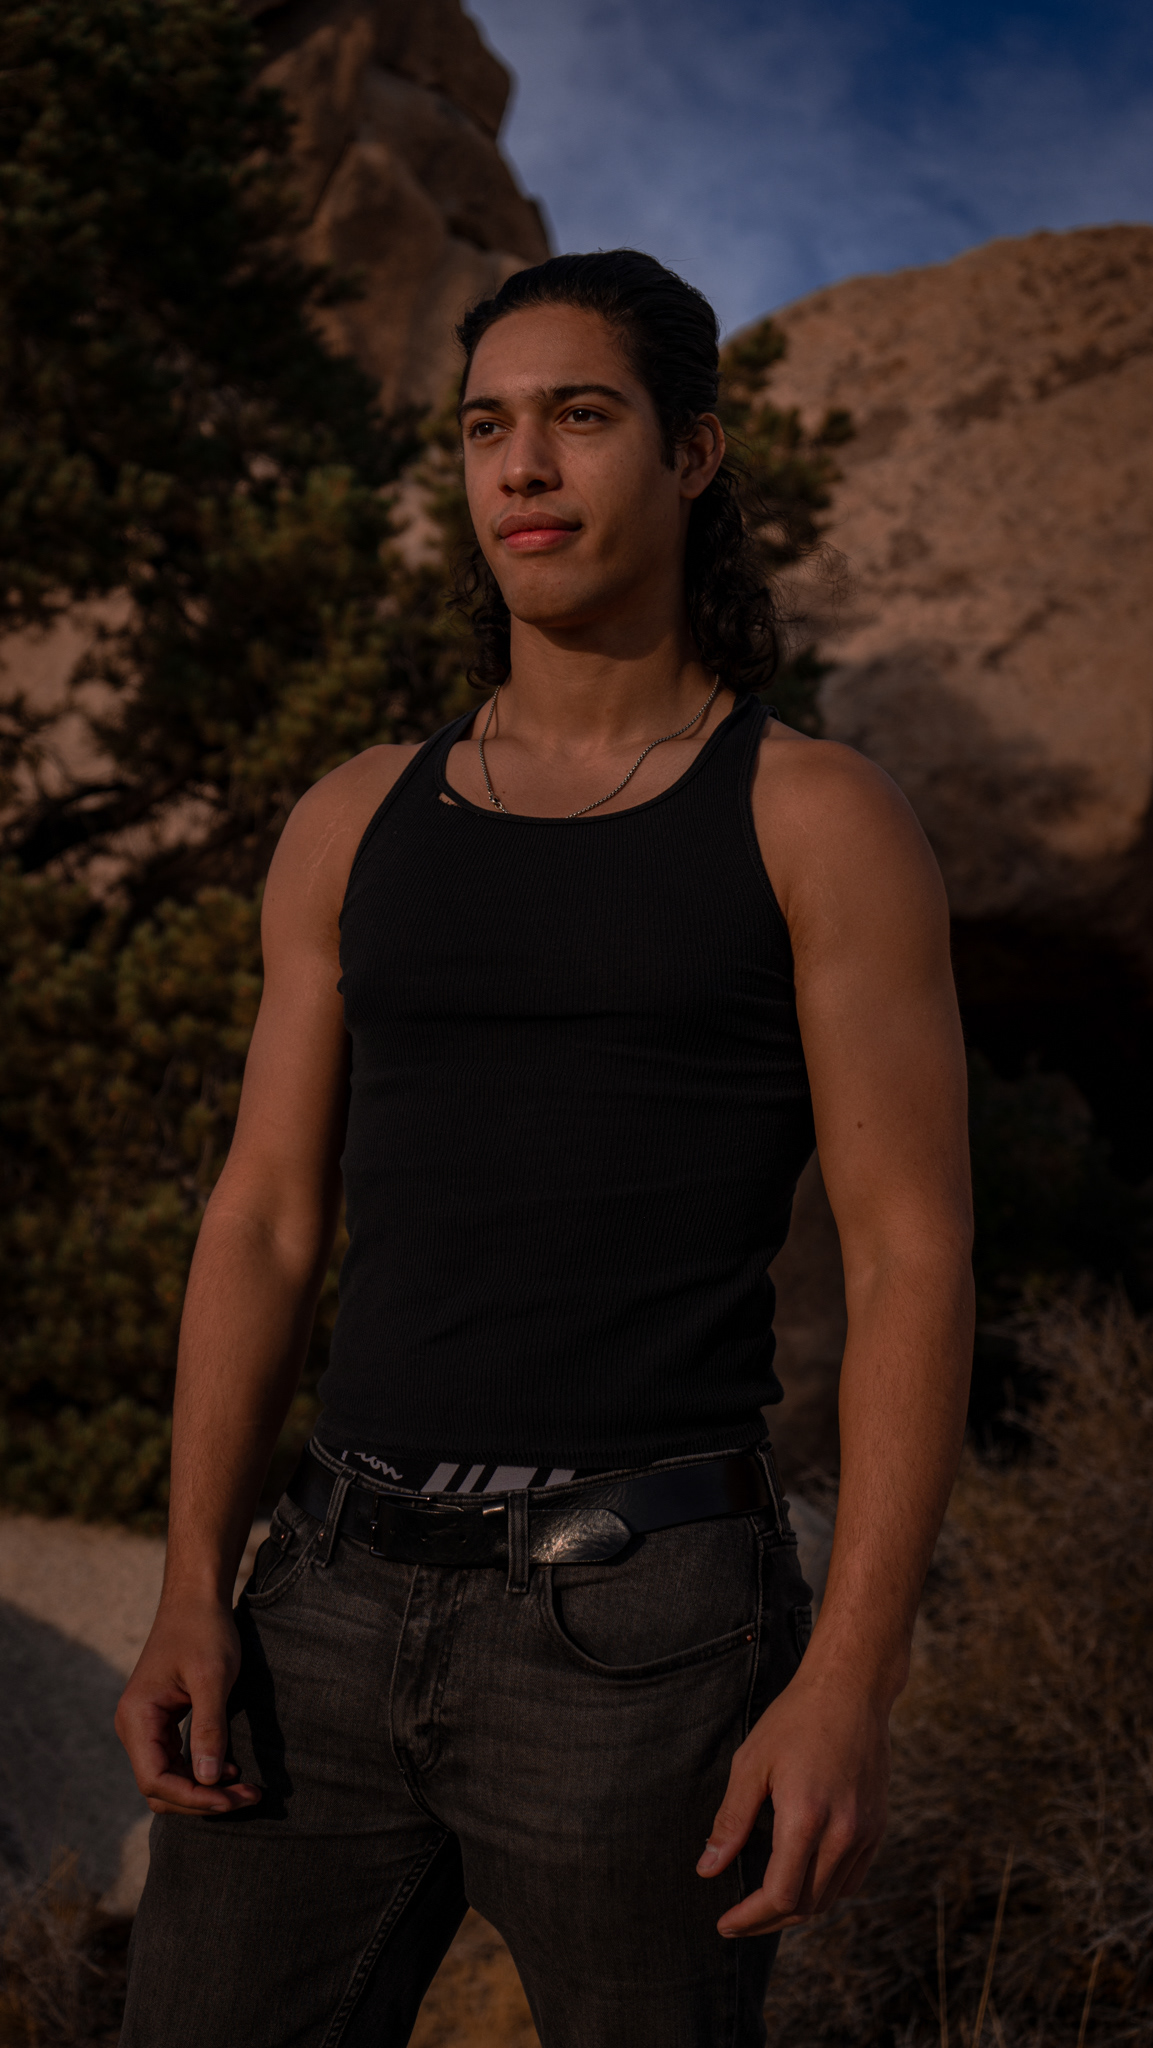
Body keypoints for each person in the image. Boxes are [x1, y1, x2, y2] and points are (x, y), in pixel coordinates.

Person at [116, 250, 974, 2048]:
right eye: (484, 427)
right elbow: (263, 1217)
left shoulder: (812, 815)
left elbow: (910, 1255)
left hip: (647, 1635)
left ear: (691, 454)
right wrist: (195, 1581)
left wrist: (851, 1680)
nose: (522, 466)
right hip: (320, 1604)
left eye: (579, 417)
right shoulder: (354, 815)